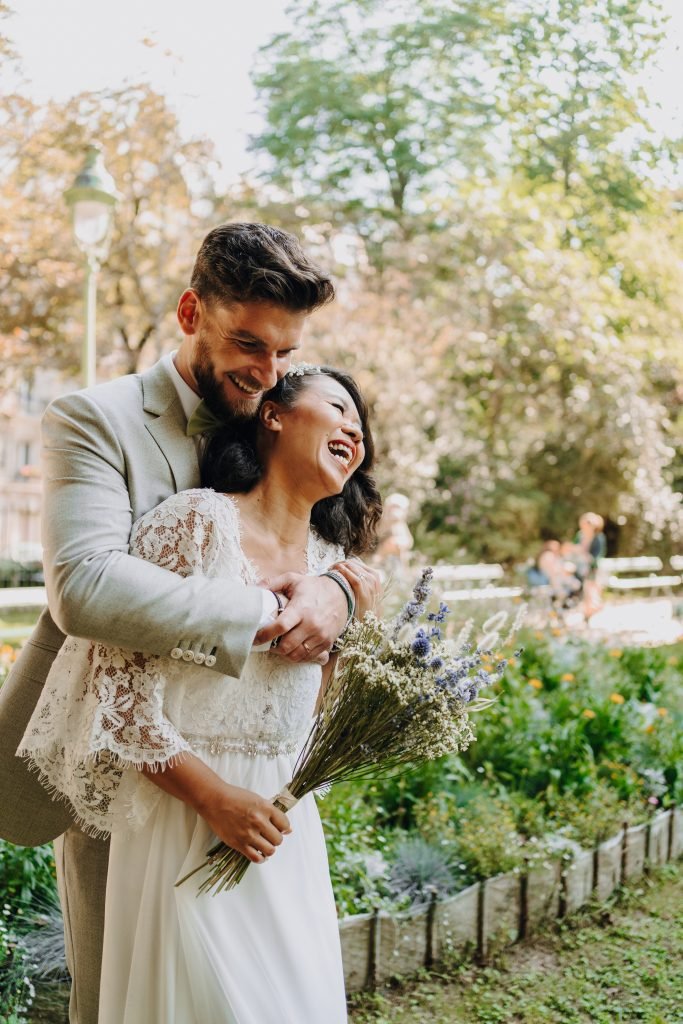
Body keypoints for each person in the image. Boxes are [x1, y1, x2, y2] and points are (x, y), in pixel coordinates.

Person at [0, 223, 380, 1024]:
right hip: (112, 750)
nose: (267, 373)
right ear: (188, 312)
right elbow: (88, 589)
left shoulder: (276, 406)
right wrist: (271, 610)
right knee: (121, 993)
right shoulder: (94, 418)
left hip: (248, 763)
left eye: (284, 353)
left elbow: (316, 526)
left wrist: (339, 588)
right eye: (247, 344)